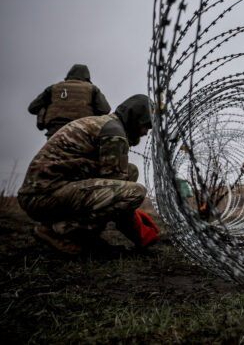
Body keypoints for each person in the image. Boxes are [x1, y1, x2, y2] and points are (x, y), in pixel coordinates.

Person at [17, 94, 155, 255]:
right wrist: (138, 230)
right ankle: (60, 233)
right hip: (43, 197)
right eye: (146, 125)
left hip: (45, 192)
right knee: (135, 192)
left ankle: (83, 237)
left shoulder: (105, 124)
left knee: (130, 171)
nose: (146, 132)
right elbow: (117, 193)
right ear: (135, 118)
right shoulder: (114, 133)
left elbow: (114, 182)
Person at [28, 64, 111, 139]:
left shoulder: (53, 88)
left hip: (55, 132)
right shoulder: (92, 89)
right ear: (87, 76)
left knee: (54, 155)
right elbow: (105, 110)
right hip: (81, 131)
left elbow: (33, 107)